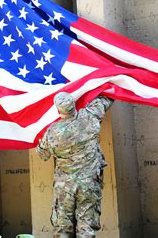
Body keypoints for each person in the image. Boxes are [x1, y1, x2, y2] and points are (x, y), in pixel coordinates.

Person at [37, 92, 113, 238]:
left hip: (64, 188)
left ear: (58, 111)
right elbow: (106, 99)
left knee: (63, 229)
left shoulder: (53, 132)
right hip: (89, 184)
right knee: (86, 227)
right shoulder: (89, 116)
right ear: (74, 104)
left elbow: (43, 155)